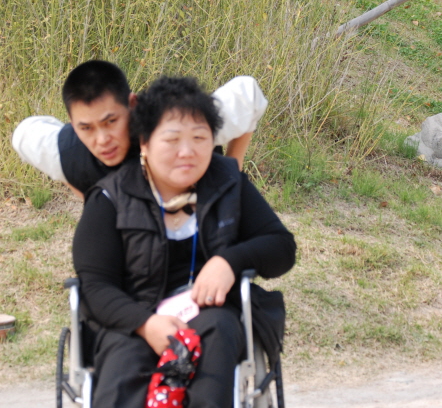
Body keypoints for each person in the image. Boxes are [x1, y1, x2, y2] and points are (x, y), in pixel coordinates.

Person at [73, 76, 296, 407]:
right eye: (172, 139)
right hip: (130, 321)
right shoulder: (110, 198)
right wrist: (145, 324)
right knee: (124, 361)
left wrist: (229, 262)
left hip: (211, 315)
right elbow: (95, 287)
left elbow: (281, 247)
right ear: (144, 142)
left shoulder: (228, 183)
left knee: (218, 331)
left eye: (199, 137)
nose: (187, 152)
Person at [11, 60, 267, 198]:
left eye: (111, 122)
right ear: (72, 122)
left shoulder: (179, 124)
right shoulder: (66, 152)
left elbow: (248, 92)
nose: (102, 139)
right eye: (86, 127)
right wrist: (79, 185)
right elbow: (24, 133)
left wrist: (233, 173)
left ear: (132, 104)